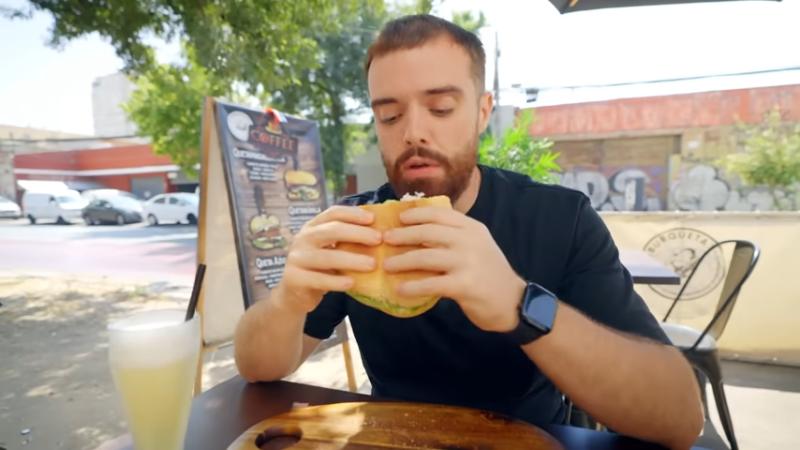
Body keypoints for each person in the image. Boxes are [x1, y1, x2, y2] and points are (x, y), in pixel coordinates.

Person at [234, 14, 703, 450]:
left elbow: (680, 418)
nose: (414, 133)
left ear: (481, 112)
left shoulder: (559, 218)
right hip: (389, 439)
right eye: (390, 116)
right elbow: (257, 369)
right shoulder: (355, 228)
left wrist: (518, 304)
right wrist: (288, 302)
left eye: (440, 108)